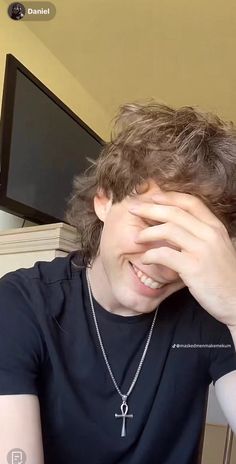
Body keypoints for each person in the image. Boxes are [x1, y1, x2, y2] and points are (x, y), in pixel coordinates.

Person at [0, 101, 236, 464]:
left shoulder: (210, 315)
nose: (163, 263)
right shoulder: (20, 303)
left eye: (188, 239)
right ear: (104, 200)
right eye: (153, 223)